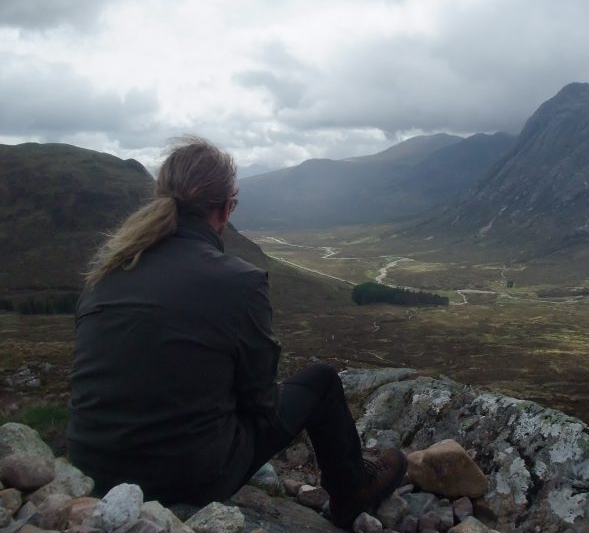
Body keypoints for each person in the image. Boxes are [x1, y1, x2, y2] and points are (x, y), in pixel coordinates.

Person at [68, 136, 406, 528]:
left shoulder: (105, 271)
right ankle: (353, 491)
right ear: (226, 209)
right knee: (322, 381)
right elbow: (261, 403)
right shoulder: (239, 281)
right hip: (189, 476)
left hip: (91, 464)